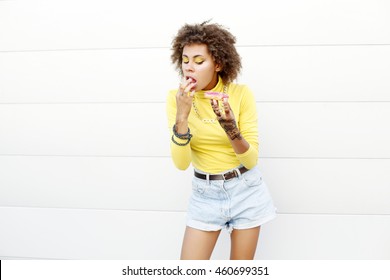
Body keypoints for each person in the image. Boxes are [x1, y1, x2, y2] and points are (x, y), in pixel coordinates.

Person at [166, 21, 276, 260]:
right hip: (204, 194)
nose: (189, 68)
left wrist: (230, 128)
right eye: (185, 60)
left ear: (217, 63)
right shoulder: (176, 98)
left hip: (245, 189)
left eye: (198, 61)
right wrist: (181, 115)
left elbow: (251, 158)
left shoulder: (240, 94)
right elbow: (181, 163)